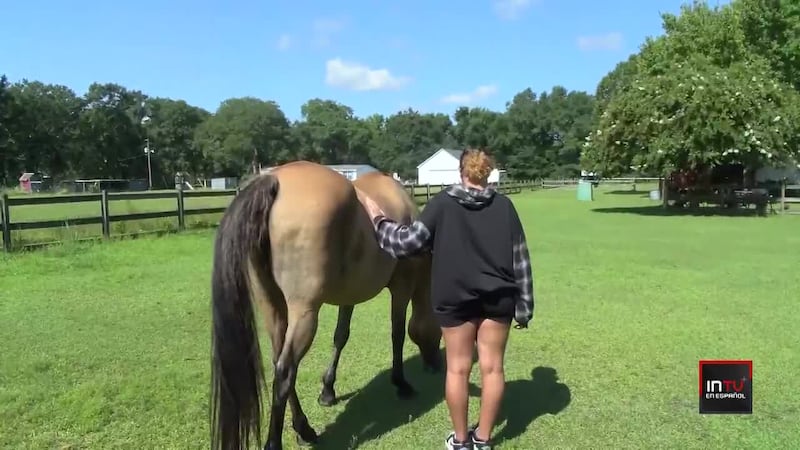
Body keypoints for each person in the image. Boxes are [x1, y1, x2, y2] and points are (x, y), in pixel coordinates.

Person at [362, 148, 535, 450]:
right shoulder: (505, 206)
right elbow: (520, 257)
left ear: (461, 172)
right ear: (488, 173)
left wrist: (378, 219)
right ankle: (483, 439)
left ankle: (461, 440)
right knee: (493, 368)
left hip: (454, 299)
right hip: (500, 299)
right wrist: (525, 308)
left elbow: (407, 243)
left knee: (457, 369)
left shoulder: (442, 204)